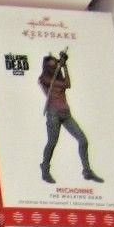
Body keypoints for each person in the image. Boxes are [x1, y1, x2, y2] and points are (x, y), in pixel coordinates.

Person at [39, 50, 102, 183]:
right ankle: (45, 169)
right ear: (46, 67)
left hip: (66, 113)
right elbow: (61, 84)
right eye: (51, 65)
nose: (54, 67)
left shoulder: (58, 76)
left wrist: (64, 66)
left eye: (55, 65)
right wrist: (60, 65)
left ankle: (87, 171)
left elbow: (68, 84)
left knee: (83, 140)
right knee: (52, 142)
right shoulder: (44, 78)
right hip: (53, 114)